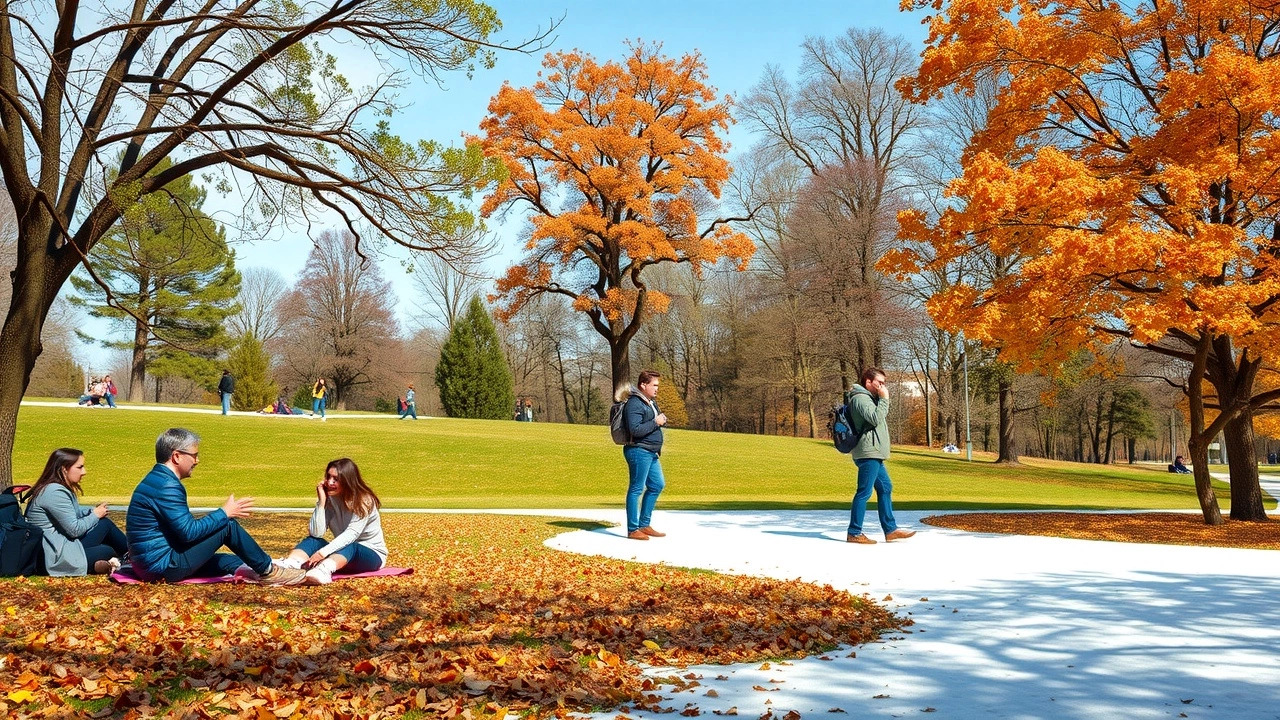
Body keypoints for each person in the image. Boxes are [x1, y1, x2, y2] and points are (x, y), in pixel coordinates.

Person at [125, 428, 306, 584]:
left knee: (229, 561)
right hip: (161, 567)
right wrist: (224, 513)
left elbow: (181, 531)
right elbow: (188, 533)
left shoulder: (157, 479)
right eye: (194, 455)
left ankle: (261, 566)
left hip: (150, 564)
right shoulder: (167, 486)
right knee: (227, 526)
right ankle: (269, 572)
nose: (197, 461)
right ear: (177, 456)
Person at [272, 458, 388, 585]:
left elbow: (351, 535)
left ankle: (323, 570)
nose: (330, 482)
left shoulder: (364, 500)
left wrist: (322, 554)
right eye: (328, 477)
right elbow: (316, 533)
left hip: (371, 555)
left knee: (351, 546)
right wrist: (321, 503)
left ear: (347, 481)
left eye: (336, 479)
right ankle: (289, 566)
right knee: (313, 541)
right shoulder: (331, 498)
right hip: (340, 553)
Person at [24, 448, 128, 576]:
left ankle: (111, 561)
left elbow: (72, 513)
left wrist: (91, 511)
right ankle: (135, 556)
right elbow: (74, 530)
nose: (84, 472)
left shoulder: (54, 488)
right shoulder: (54, 492)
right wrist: (95, 515)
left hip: (59, 547)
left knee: (104, 530)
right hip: (52, 556)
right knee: (106, 547)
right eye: (80, 467)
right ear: (63, 469)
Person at [846, 367, 916, 545]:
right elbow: (875, 418)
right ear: (868, 382)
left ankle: (890, 530)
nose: (882, 386)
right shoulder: (860, 398)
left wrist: (881, 399)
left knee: (885, 487)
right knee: (864, 492)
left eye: (884, 383)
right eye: (880, 383)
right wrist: (884, 399)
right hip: (868, 451)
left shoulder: (869, 398)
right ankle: (854, 532)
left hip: (874, 452)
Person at [622, 370, 668, 541]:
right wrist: (656, 422)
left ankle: (644, 525)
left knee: (657, 485)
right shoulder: (635, 403)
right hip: (638, 451)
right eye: (654, 385)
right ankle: (633, 529)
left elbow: (651, 424)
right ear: (643, 385)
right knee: (636, 489)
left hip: (651, 452)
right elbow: (635, 429)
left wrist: (659, 420)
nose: (657, 389)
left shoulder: (650, 402)